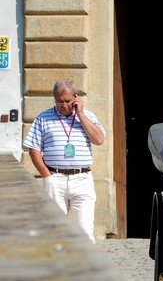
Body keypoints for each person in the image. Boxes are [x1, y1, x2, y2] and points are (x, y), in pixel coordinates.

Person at [24, 79, 106, 243]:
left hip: (82, 179)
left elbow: (98, 139)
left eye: (67, 101)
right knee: (55, 231)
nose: (63, 105)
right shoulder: (43, 118)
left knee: (85, 231)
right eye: (59, 102)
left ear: (76, 97)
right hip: (55, 177)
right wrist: (46, 176)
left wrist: (80, 114)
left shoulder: (88, 116)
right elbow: (33, 148)